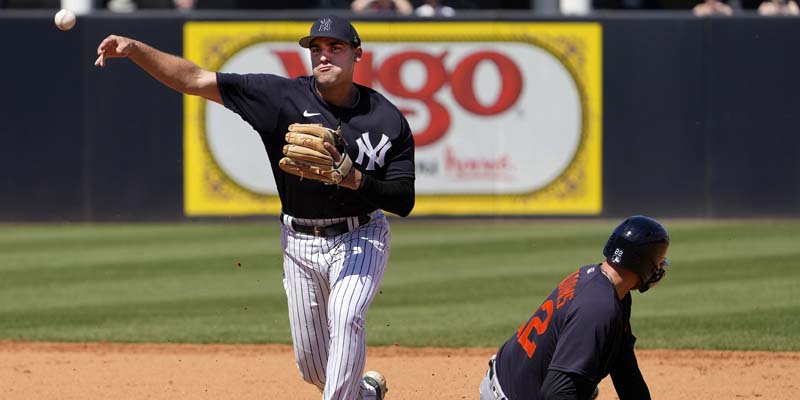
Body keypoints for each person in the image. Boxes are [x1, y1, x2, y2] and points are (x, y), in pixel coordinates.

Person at [95, 14, 415, 400]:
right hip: (299, 242)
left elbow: (403, 198)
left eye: (335, 47)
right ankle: (364, 394)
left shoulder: (386, 119)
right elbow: (195, 80)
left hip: (361, 235)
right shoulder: (279, 98)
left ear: (357, 55)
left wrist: (355, 179)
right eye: (316, 49)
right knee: (313, 367)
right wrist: (134, 50)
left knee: (347, 318)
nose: (324, 56)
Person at [480, 215, 670, 400]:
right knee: (570, 387)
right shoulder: (600, 307)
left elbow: (624, 367)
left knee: (580, 384)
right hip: (512, 394)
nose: (660, 268)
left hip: (512, 378)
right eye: (659, 262)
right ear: (643, 263)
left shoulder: (602, 283)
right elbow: (556, 393)